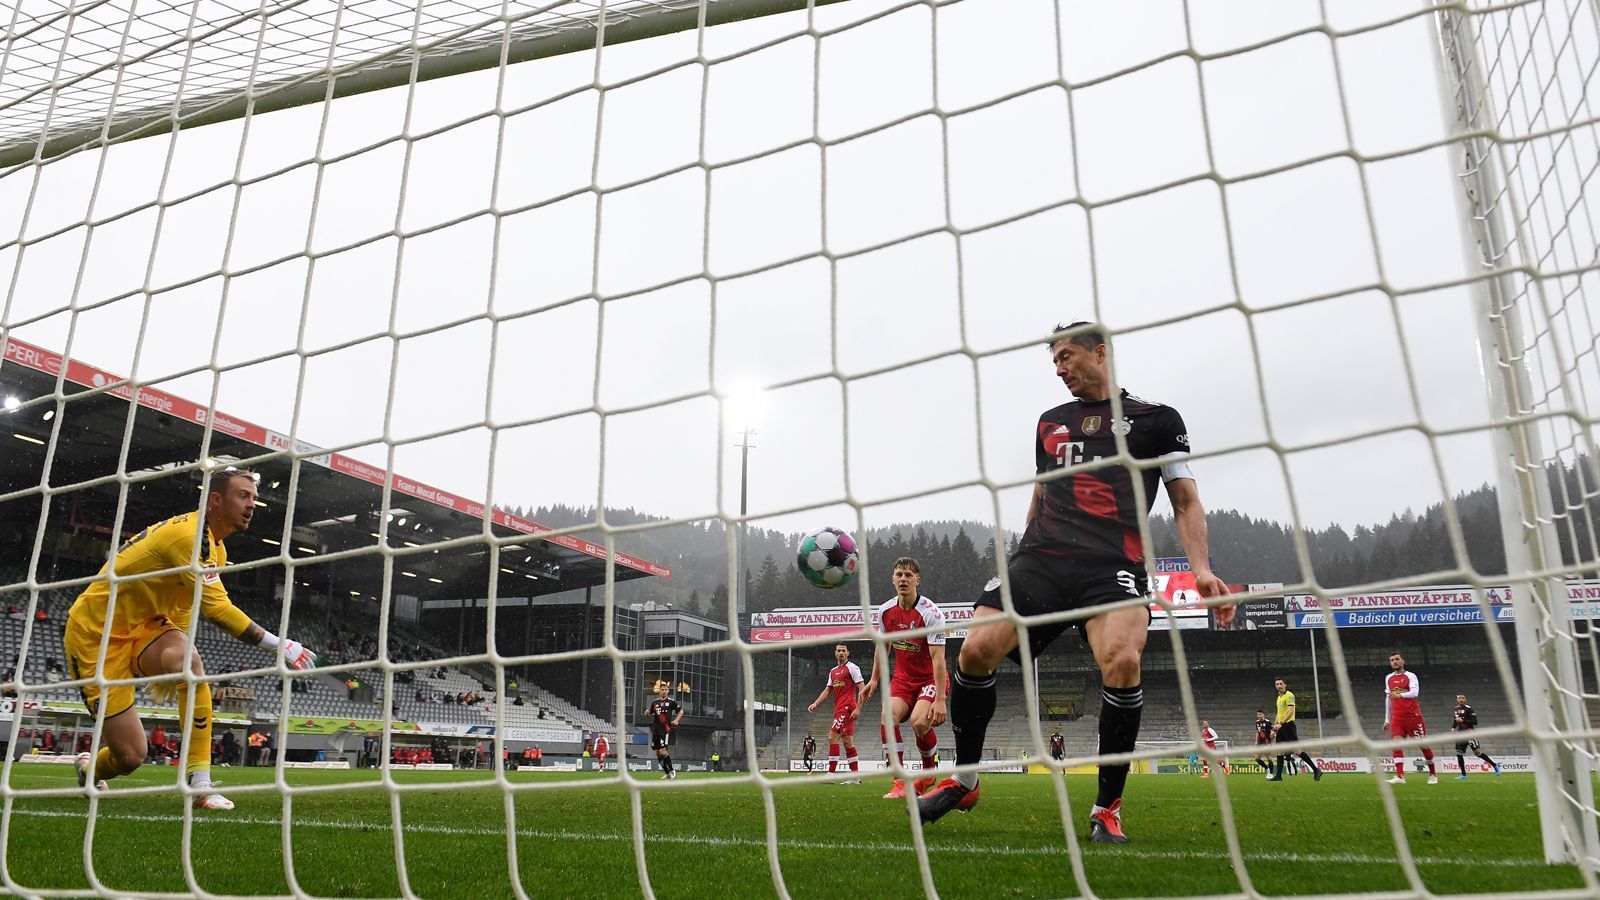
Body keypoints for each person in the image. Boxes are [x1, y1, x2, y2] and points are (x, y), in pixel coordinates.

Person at [918, 322, 1234, 844]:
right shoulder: (1050, 423)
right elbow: (1041, 494)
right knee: (974, 650)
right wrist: (1021, 555)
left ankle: (1106, 807)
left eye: (1067, 356)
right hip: (1041, 559)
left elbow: (1185, 499)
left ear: (1100, 353)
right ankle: (966, 780)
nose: (1060, 369)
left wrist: (1200, 568)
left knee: (1123, 660)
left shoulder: (1157, 421)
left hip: (1111, 564)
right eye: (1055, 362)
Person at [66, 467, 317, 809]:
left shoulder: (216, 548)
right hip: (95, 634)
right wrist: (280, 644)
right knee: (131, 757)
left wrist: (173, 657)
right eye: (243, 495)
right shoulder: (188, 537)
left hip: (144, 627)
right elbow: (218, 610)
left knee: (190, 664)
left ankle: (200, 784)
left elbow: (185, 608)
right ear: (215, 499)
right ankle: (88, 767)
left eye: (254, 498)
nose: (252, 504)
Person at [863, 557, 947, 800]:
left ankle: (929, 772)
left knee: (920, 722)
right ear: (892, 579)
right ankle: (899, 781)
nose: (903, 579)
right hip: (902, 679)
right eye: (899, 574)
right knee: (887, 717)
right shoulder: (885, 611)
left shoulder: (931, 614)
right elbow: (883, 648)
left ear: (917, 580)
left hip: (929, 679)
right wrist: (874, 679)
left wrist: (940, 699)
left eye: (908, 575)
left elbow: (938, 659)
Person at [806, 643, 866, 780]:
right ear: (835, 653)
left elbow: (862, 688)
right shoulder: (833, 671)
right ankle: (855, 777)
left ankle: (831, 774)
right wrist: (816, 703)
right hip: (839, 708)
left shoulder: (852, 668)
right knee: (848, 742)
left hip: (847, 708)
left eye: (843, 651)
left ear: (848, 653)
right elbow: (827, 690)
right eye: (838, 650)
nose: (841, 653)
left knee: (832, 737)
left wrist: (858, 708)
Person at [1383, 653, 1437, 784]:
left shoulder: (1410, 676)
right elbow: (1388, 699)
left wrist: (1400, 696)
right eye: (1392, 660)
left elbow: (1415, 693)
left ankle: (1433, 775)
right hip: (1397, 717)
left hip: (1413, 716)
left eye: (1397, 659)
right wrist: (1387, 719)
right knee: (1396, 744)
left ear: (1403, 661)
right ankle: (1400, 776)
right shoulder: (1388, 677)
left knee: (1423, 745)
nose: (1394, 662)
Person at [1268, 678, 1323, 783]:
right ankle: (1278, 776)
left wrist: (1280, 723)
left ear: (1285, 685)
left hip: (1288, 726)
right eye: (1277, 684)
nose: (1279, 686)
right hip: (1280, 727)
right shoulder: (1279, 698)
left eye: (1280, 684)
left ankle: (1316, 770)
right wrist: (1274, 729)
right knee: (1279, 751)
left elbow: (1290, 712)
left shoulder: (1290, 695)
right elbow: (1278, 713)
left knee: (1297, 751)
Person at [1450, 693, 1501, 779]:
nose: (1461, 699)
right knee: (1459, 754)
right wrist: (1453, 728)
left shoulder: (1469, 709)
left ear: (1465, 699)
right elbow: (1456, 720)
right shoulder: (1456, 709)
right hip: (1460, 734)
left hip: (1470, 733)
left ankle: (1494, 765)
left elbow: (1475, 722)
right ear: (1457, 700)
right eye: (1459, 698)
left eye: (1463, 698)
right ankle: (1464, 774)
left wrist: (1462, 720)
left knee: (1478, 753)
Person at [646, 680, 684, 779]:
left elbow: (681, 711)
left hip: (665, 729)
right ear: (659, 691)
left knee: (663, 751)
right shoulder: (655, 702)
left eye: (665, 690)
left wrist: (676, 720)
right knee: (658, 753)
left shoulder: (671, 702)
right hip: (656, 730)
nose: (663, 691)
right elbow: (649, 713)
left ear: (668, 691)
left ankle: (672, 770)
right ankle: (667, 773)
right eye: (662, 689)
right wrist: (647, 712)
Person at [1252, 709, 1274, 774]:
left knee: (1268, 758)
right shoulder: (1257, 722)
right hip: (1259, 743)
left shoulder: (1268, 722)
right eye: (1257, 714)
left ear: (1263, 714)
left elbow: (1273, 731)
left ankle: (1271, 774)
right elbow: (1257, 732)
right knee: (1256, 758)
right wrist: (1256, 741)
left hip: (1266, 742)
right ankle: (1267, 768)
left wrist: (1272, 737)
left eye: (1260, 714)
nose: (1259, 716)